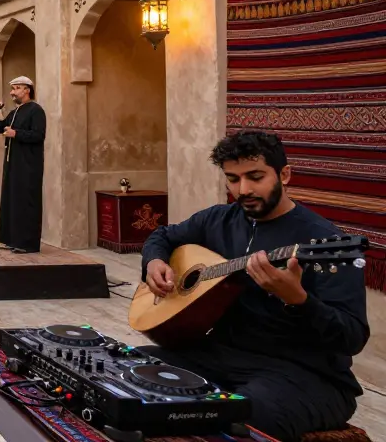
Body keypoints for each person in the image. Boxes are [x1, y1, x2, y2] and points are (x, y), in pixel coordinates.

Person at [140, 130, 368, 442]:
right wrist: (153, 262)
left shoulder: (327, 242)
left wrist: (299, 301)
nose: (243, 189)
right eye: (232, 179)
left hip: (302, 373)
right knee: (130, 367)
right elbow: (163, 236)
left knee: (242, 418)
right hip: (220, 355)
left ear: (284, 174)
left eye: (255, 176)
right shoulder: (218, 220)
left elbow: (352, 337)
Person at [0, 76, 46, 253]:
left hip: (28, 166)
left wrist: (17, 134)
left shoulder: (36, 110)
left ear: (27, 90)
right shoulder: (14, 113)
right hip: (13, 165)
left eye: (16, 88)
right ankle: (13, 239)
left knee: (26, 202)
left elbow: (38, 135)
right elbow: (0, 128)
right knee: (13, 201)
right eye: (12, 89)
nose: (12, 92)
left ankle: (27, 244)